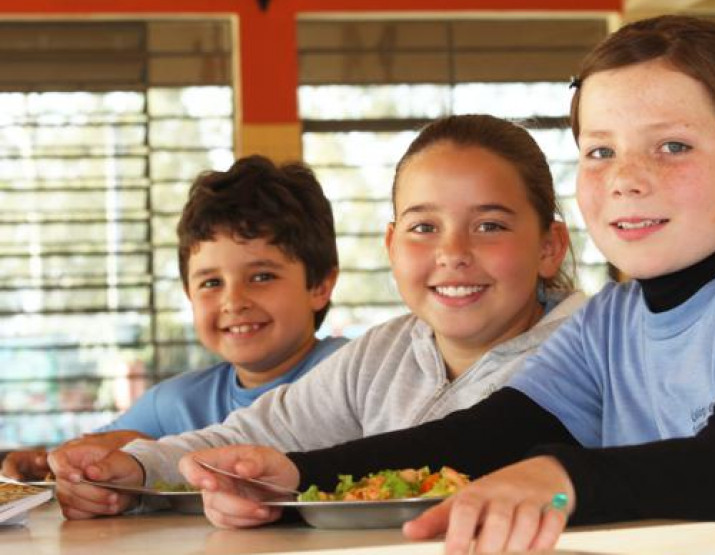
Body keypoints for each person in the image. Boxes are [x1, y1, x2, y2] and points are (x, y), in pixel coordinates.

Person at [178, 16, 715, 553]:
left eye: (671, 146)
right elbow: (484, 436)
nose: (626, 178)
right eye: (600, 151)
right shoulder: (610, 321)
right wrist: (296, 475)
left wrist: (557, 476)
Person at [47, 114, 588, 522]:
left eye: (490, 226)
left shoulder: (587, 347)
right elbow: (257, 433)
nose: (453, 253)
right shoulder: (381, 354)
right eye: (424, 228)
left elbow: (473, 449)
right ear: (390, 245)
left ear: (550, 246)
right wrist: (135, 471)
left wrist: (293, 478)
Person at [30, 155, 346, 512]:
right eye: (211, 282)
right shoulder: (174, 403)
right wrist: (53, 470)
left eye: (262, 276)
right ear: (189, 294)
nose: (233, 302)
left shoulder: (354, 376)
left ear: (320, 285)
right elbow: (89, 459)